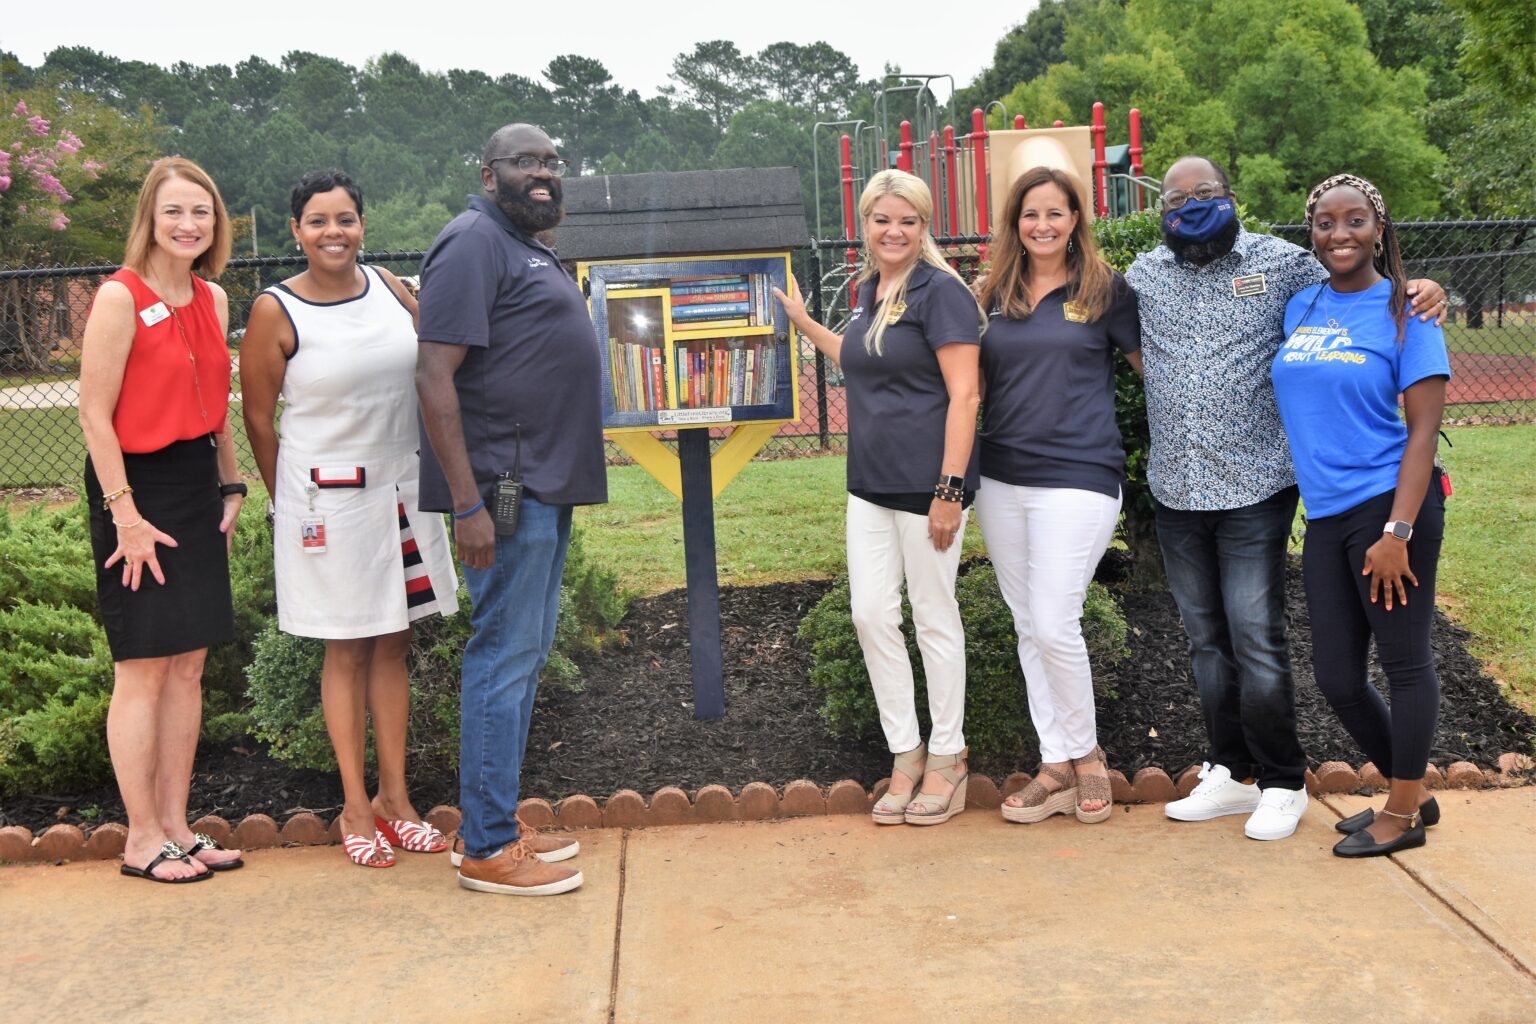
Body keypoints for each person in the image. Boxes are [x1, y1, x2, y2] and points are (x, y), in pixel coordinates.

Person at [1126, 155, 1447, 842]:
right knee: (1214, 645)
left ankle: (1284, 781)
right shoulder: (1148, 274)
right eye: (1175, 197)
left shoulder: (1286, 269)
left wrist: (1424, 287)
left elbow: (1374, 287)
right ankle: (1233, 769)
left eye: (1204, 193)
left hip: (1269, 488)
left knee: (1261, 636)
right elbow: (1101, 322)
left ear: (1231, 196)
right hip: (1187, 487)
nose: (1189, 205)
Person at [240, 169, 460, 868]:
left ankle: (397, 801)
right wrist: (290, 503)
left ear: (363, 224)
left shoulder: (396, 291)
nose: (333, 232)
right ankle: (355, 808)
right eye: (317, 221)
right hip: (327, 503)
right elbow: (257, 416)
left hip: (402, 489)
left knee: (394, 642)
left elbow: (435, 374)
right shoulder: (277, 310)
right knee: (348, 648)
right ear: (296, 231)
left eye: (345, 219)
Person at [416, 124, 606, 895]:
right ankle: (488, 849)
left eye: (550, 163)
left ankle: (496, 824)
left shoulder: (521, 243)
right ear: (488, 172)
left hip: (542, 486)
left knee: (523, 658)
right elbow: (434, 376)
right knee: (501, 657)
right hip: (501, 491)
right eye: (524, 162)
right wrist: (467, 504)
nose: (542, 174)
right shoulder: (471, 242)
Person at [775, 169, 986, 827]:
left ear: (924, 228)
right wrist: (807, 322)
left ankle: (949, 758)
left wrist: (950, 490)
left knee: (932, 615)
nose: (894, 232)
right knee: (870, 614)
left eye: (908, 221)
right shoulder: (871, 289)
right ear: (864, 225)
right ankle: (907, 750)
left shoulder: (941, 292)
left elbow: (966, 394)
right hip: (867, 484)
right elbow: (861, 359)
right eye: (882, 220)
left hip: (930, 488)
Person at [77, 157, 246, 882]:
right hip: (133, 491)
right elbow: (93, 413)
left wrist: (232, 485)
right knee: (143, 666)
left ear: (217, 224)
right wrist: (126, 516)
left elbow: (219, 403)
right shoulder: (120, 296)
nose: (189, 224)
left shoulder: (213, 299)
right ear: (150, 217)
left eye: (201, 212)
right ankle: (140, 838)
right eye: (175, 211)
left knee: (188, 666)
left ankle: (178, 825)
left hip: (195, 486)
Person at [1273, 174, 1450, 858]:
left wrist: (1397, 531)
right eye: (1324, 222)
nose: (1338, 234)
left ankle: (1401, 812)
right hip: (1327, 516)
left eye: (1353, 221)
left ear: (1379, 229)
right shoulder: (1301, 307)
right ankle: (1415, 792)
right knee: (1338, 677)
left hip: (1391, 507)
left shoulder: (1411, 312)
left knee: (1405, 663)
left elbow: (1424, 433)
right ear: (1311, 231)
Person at [973, 167, 1141, 826]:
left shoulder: (1106, 290)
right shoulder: (992, 293)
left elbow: (1155, 368)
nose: (1042, 225)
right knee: (1027, 624)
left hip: (1080, 474)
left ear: (1076, 219)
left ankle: (1088, 756)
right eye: (1030, 214)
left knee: (1052, 619)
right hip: (1002, 480)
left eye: (1056, 213)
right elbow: (968, 387)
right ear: (1015, 222)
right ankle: (1055, 765)